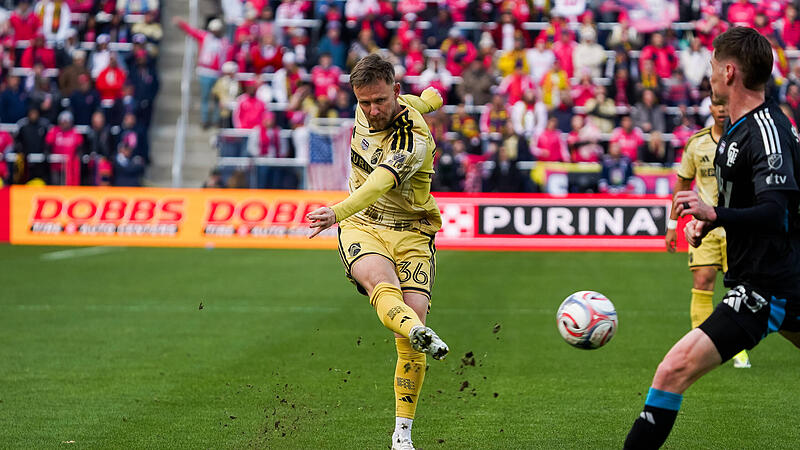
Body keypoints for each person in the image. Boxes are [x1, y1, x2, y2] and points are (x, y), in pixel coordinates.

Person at [624, 27, 800, 449]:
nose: (709, 75)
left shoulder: (767, 130)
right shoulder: (736, 130)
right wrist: (712, 222)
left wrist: (715, 213)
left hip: (767, 286)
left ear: (729, 72)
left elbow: (776, 211)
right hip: (778, 279)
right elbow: (751, 204)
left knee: (671, 371)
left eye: (712, 66)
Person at [305, 54, 449, 450]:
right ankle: (415, 329)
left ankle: (402, 433)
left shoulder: (412, 142)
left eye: (380, 101)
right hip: (363, 224)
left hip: (413, 232)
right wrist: (431, 99)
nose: (372, 110)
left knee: (410, 329)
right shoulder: (368, 104)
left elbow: (377, 185)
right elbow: (417, 101)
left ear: (395, 92)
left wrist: (334, 211)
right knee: (382, 286)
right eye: (364, 102)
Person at [664, 98, 752, 369]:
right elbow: (683, 182)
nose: (722, 109)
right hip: (703, 225)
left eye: (726, 104)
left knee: (741, 288)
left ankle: (737, 347)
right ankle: (699, 348)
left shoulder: (747, 139)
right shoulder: (696, 143)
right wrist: (672, 224)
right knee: (702, 281)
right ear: (710, 109)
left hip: (736, 225)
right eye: (717, 104)